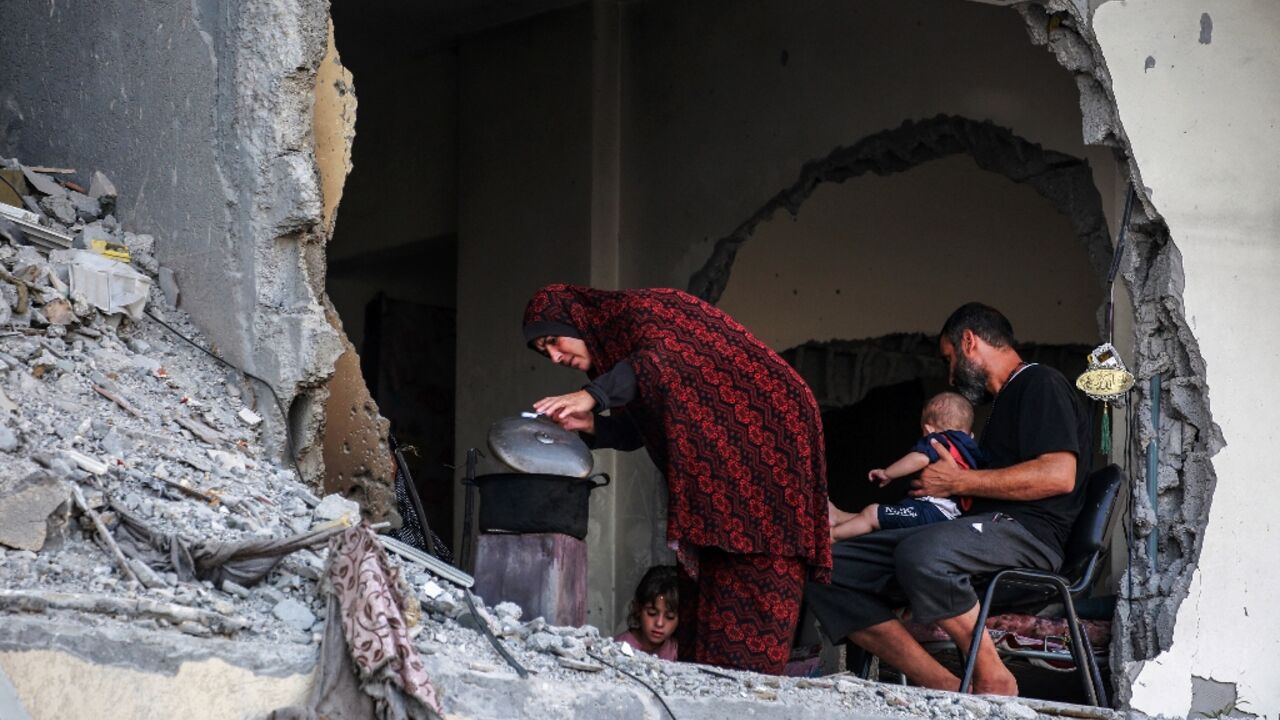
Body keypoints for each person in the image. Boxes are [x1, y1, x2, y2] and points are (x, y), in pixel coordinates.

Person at [523, 283, 831, 675]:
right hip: (720, 495)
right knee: (704, 632)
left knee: (749, 622)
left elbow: (664, 358)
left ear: (578, 320)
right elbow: (645, 425)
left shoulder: (641, 311)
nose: (554, 355)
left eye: (553, 340)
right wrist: (593, 427)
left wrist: (593, 395)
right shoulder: (618, 354)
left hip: (765, 463)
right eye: (543, 352)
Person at [805, 302, 1090, 696]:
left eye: (949, 359)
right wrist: (863, 517)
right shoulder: (1000, 406)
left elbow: (1059, 475)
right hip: (970, 536)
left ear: (969, 341)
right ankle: (944, 684)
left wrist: (959, 481)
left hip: (1027, 537)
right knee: (825, 566)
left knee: (924, 553)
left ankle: (993, 675)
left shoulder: (1040, 384)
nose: (950, 374)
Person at [828, 391, 985, 541]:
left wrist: (888, 473)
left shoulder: (939, 440)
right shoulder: (971, 453)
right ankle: (840, 518)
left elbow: (919, 459)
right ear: (971, 436)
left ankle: (832, 536)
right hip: (951, 516)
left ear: (928, 429)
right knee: (886, 517)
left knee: (872, 513)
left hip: (932, 511)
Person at [614, 566, 680, 661]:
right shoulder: (620, 646)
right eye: (652, 613)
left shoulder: (676, 650)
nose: (659, 623)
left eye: (670, 617)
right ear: (638, 609)